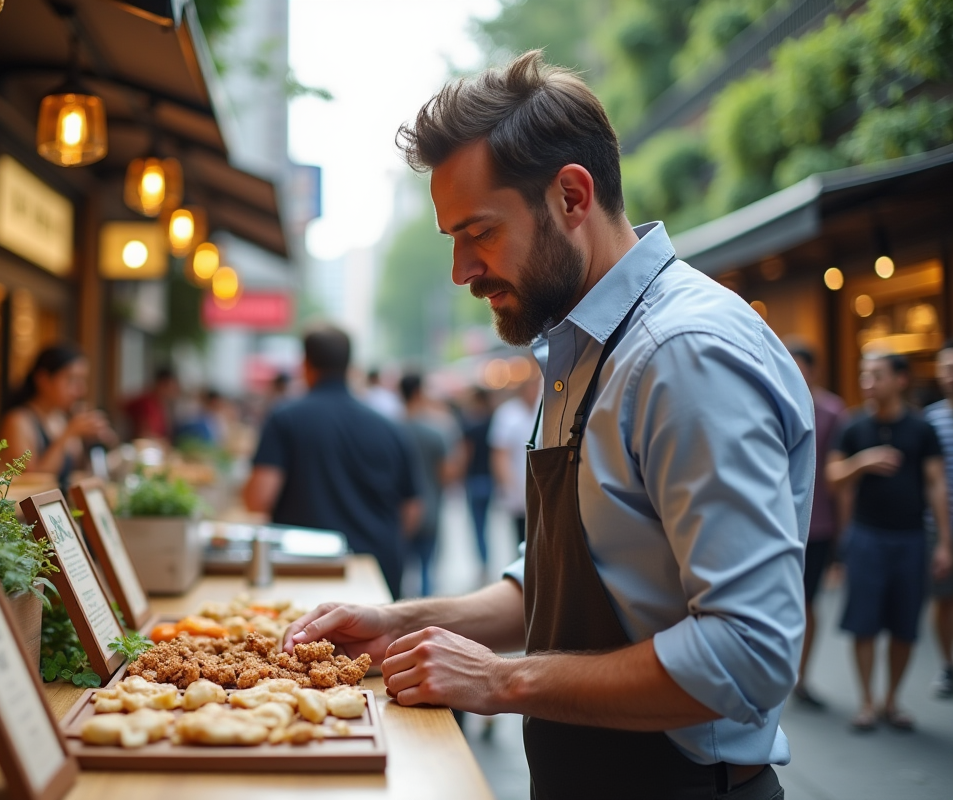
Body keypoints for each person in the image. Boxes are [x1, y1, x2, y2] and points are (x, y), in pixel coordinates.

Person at [284, 52, 812, 800]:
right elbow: (558, 585)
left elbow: (748, 653)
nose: (463, 270)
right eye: (452, 240)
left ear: (571, 196)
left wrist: (502, 681)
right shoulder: (581, 345)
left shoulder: (683, 355)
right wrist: (398, 622)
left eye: (479, 232)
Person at [243, 326, 422, 599]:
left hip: (304, 573)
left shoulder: (285, 419)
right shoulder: (390, 427)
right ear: (350, 365)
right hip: (376, 573)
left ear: (305, 364)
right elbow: (412, 511)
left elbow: (259, 498)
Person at [827, 353, 952, 732]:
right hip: (867, 536)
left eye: (877, 375)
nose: (868, 381)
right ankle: (866, 702)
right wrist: (863, 463)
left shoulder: (920, 428)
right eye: (865, 374)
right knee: (864, 622)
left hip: (912, 537)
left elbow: (934, 484)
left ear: (900, 380)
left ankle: (891, 701)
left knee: (904, 623)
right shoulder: (854, 425)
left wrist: (945, 542)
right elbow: (833, 477)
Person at [786, 341, 847, 709]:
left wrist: (843, 538)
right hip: (780, 520)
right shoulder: (772, 397)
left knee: (808, 602)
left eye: (799, 365)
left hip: (820, 523)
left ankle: (802, 677)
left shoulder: (833, 411)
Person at [0, 345, 115, 492]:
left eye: (82, 380)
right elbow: (31, 482)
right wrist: (68, 434)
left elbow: (75, 474)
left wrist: (92, 442)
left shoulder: (61, 418)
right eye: (71, 379)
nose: (81, 390)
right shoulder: (18, 421)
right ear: (43, 380)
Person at [399, 372, 451, 597]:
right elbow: (446, 474)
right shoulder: (435, 432)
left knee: (401, 572)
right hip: (430, 510)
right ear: (419, 392)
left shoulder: (392, 430)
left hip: (399, 514)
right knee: (427, 570)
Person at [922, 341, 953, 697]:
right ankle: (948, 666)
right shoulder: (931, 418)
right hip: (937, 525)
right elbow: (931, 480)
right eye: (944, 369)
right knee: (943, 599)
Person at [489, 370, 541, 548]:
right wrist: (510, 486)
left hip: (541, 489)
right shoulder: (507, 414)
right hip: (518, 490)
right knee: (522, 539)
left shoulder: (543, 410)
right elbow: (500, 454)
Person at [461, 387, 495, 574]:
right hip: (489, 479)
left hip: (474, 479)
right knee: (488, 523)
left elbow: (466, 454)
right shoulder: (493, 422)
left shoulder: (471, 426)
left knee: (478, 525)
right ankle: (486, 559)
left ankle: (483, 561)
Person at [124, 367, 179, 441]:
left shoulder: (160, 404)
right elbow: (145, 434)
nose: (174, 391)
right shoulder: (146, 403)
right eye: (171, 387)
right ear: (162, 385)